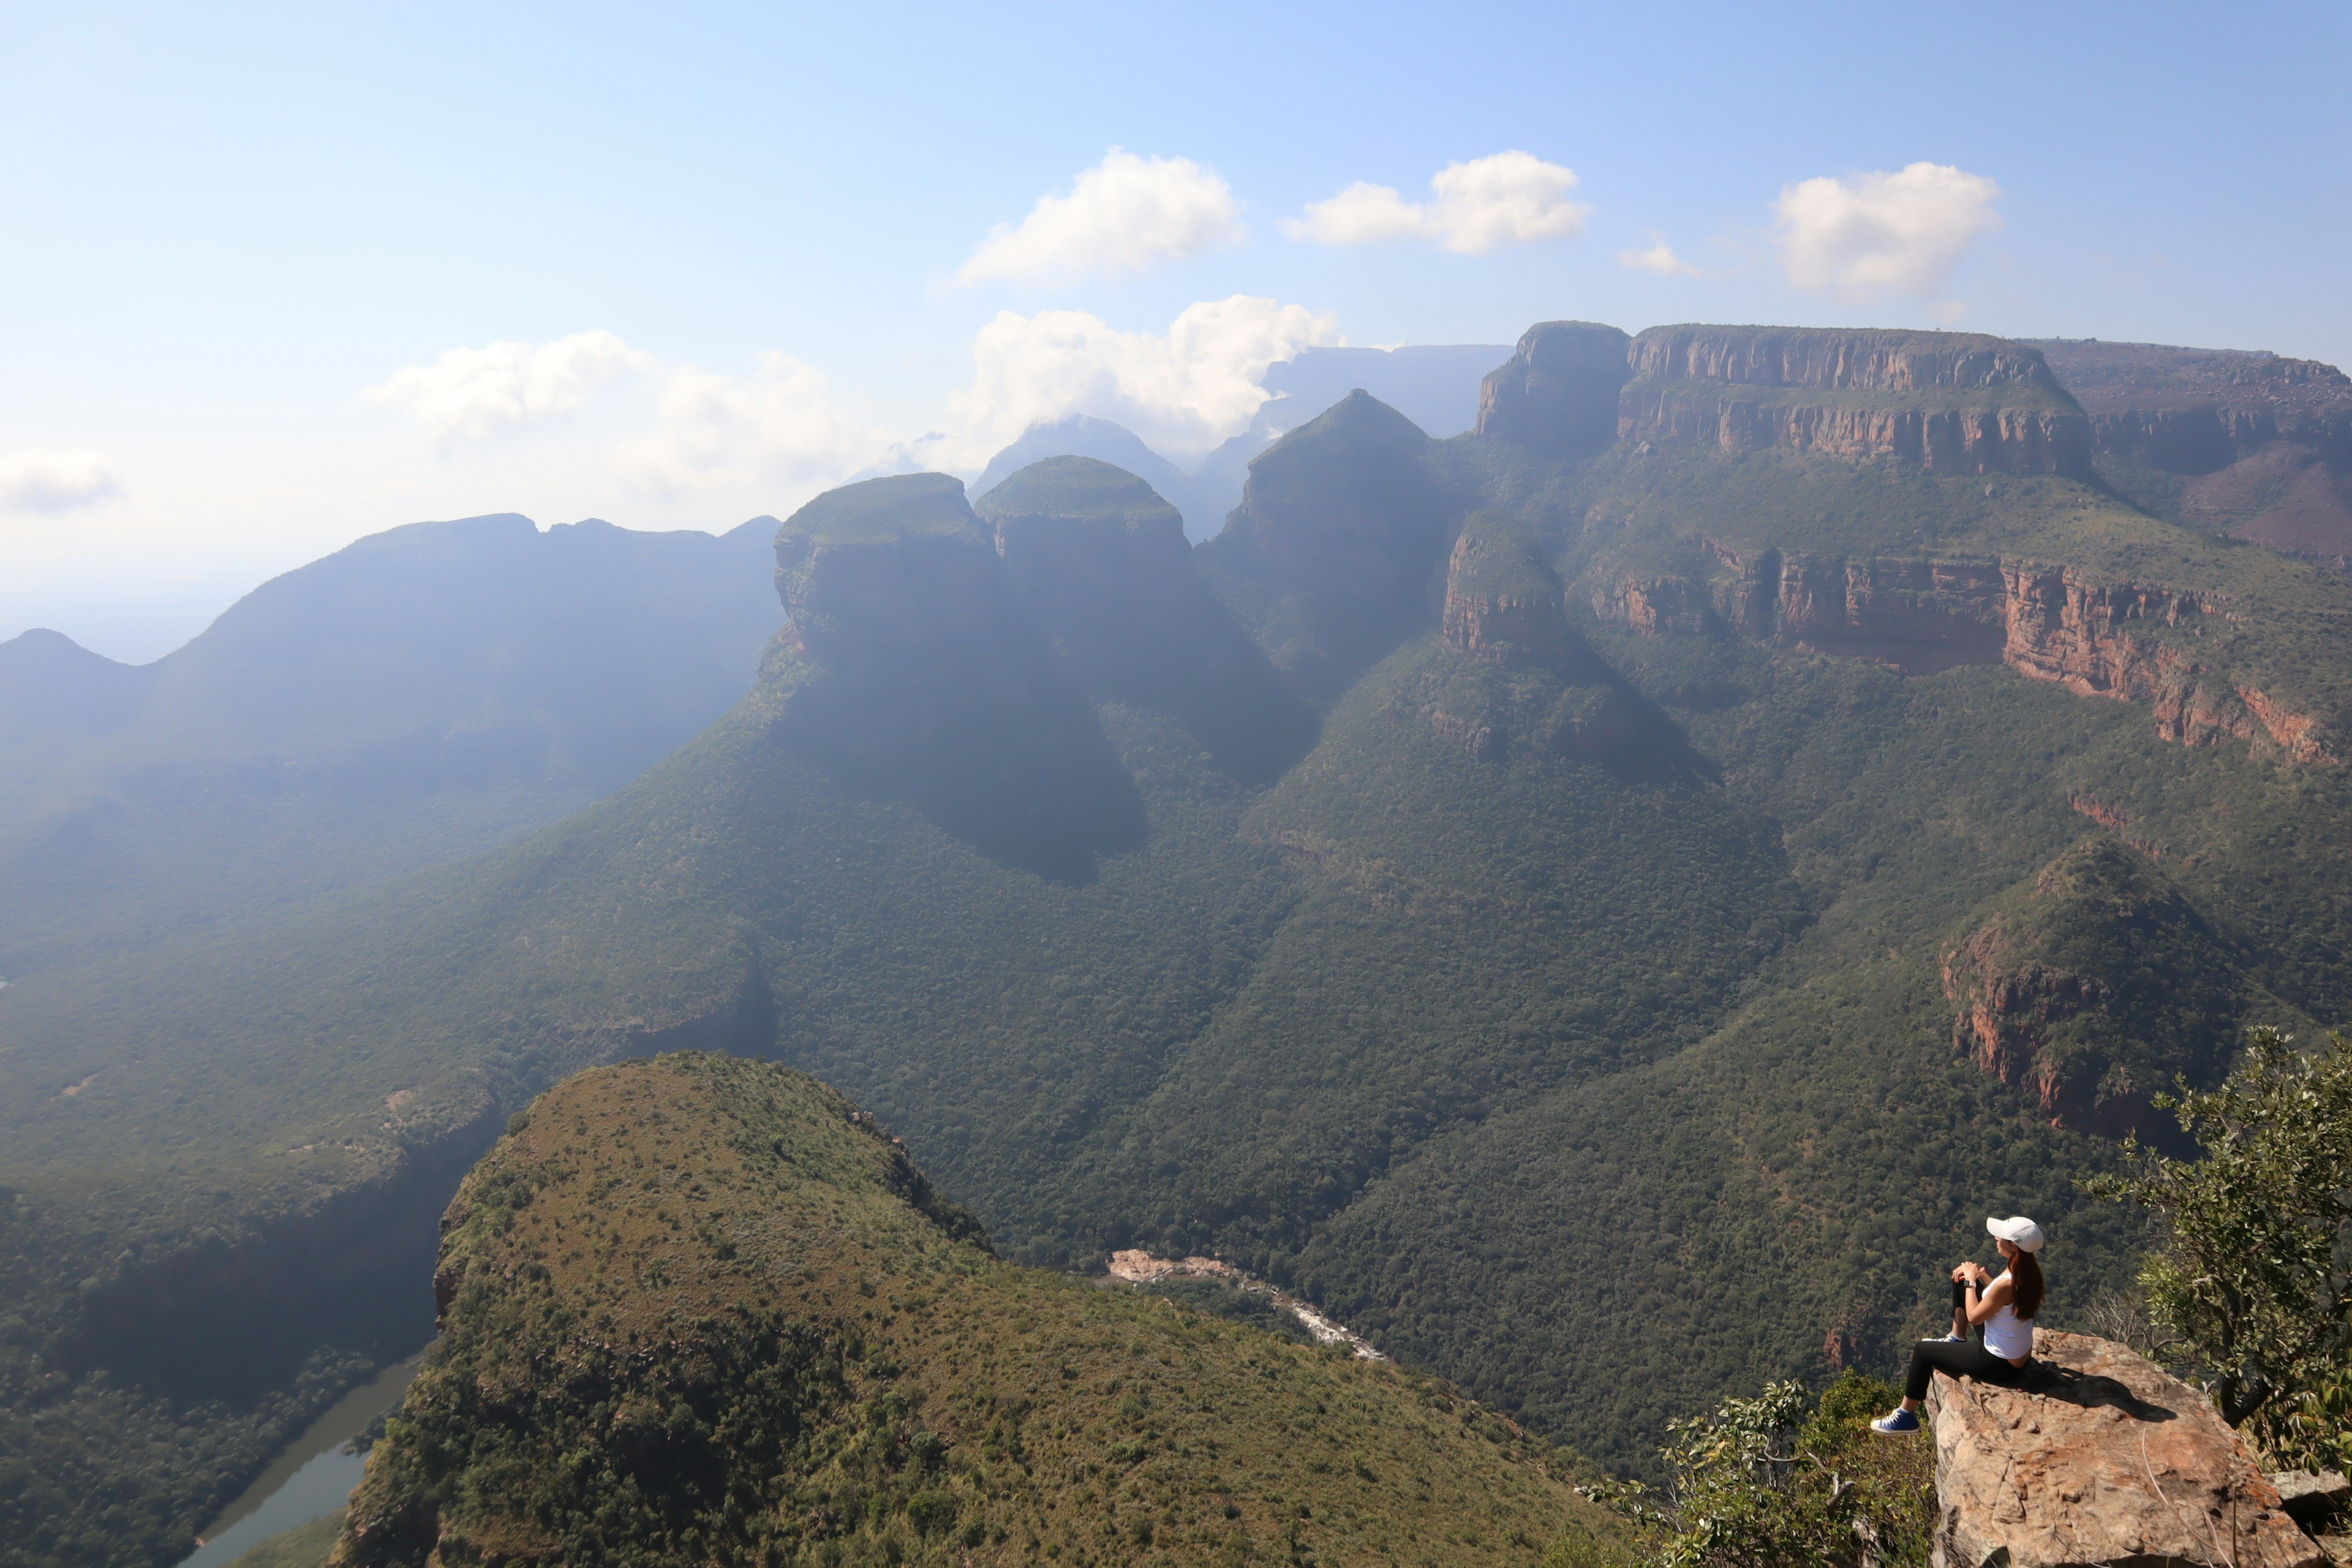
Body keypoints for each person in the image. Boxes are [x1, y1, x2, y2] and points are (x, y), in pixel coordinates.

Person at [1870, 1215, 2046, 1434]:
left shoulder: (2009, 1282)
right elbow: (2005, 1302)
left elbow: (1975, 1317)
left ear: (2013, 1245)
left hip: (2000, 1364)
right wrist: (1981, 1277)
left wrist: (1973, 1281)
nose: (1996, 1238)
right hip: (2015, 1354)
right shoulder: (2026, 1272)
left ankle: (1906, 1417)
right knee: (1963, 1281)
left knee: (1923, 1350)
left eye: (2001, 1236)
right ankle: (1957, 1338)